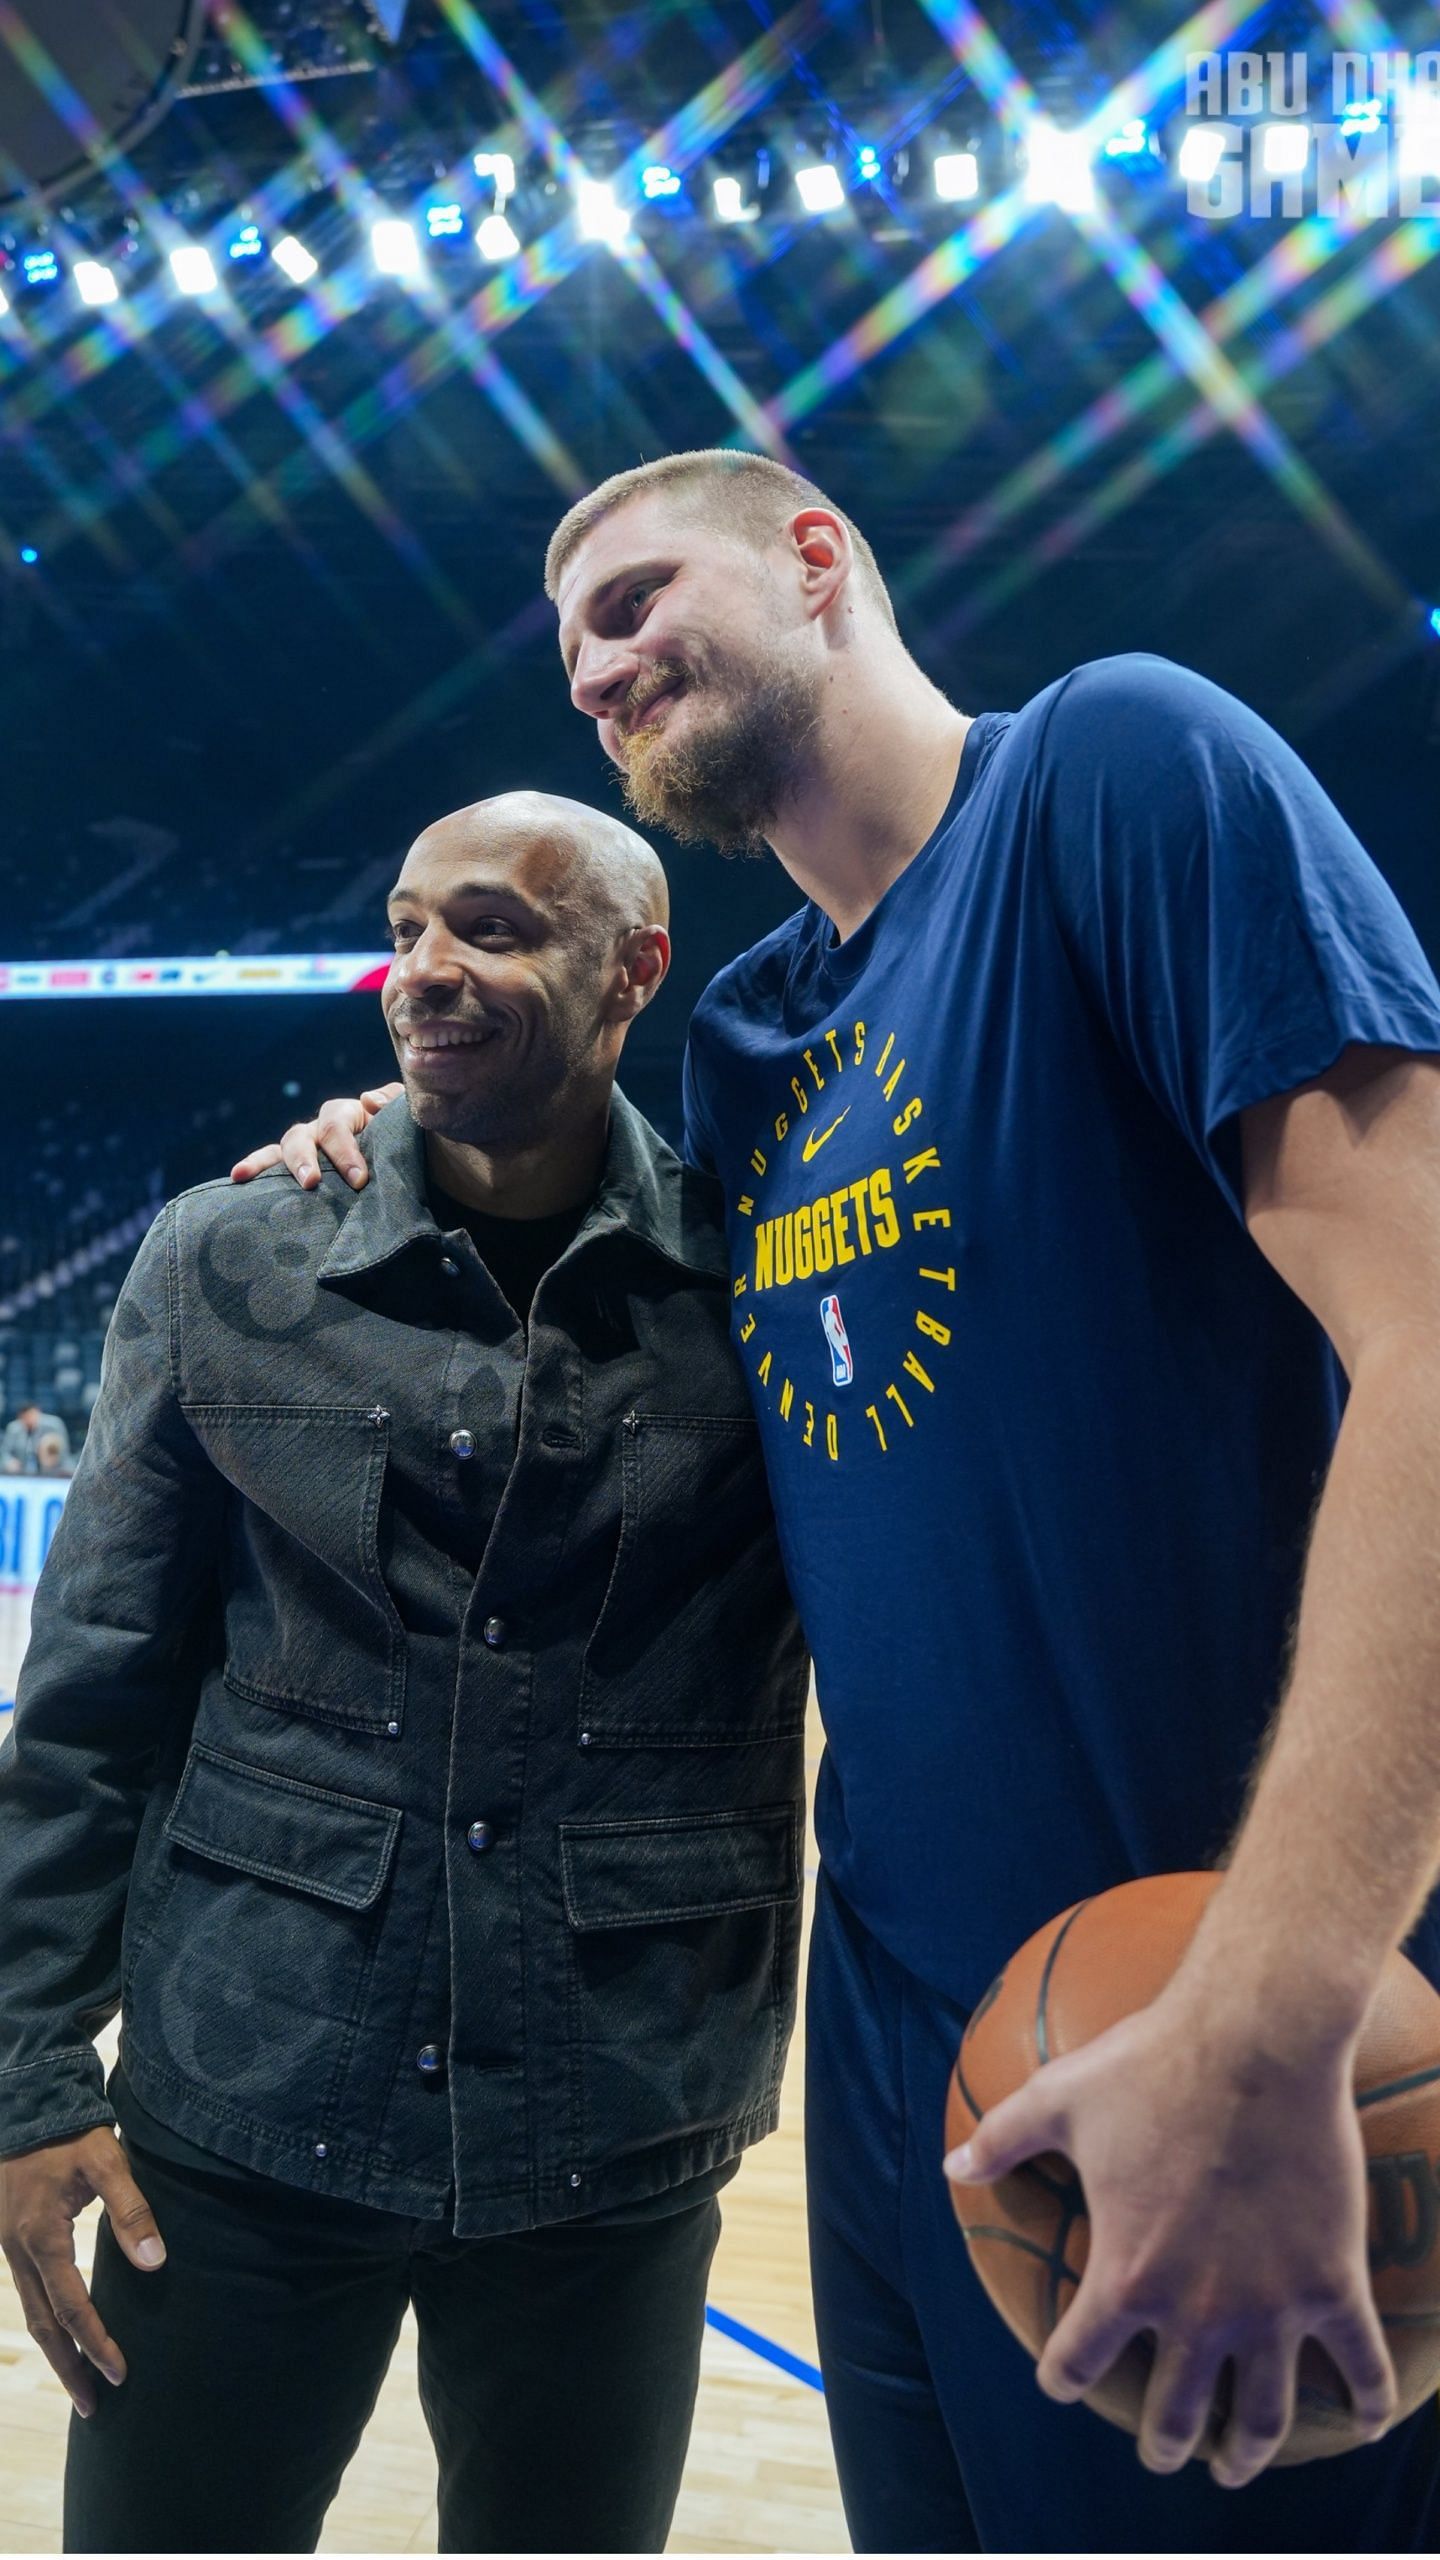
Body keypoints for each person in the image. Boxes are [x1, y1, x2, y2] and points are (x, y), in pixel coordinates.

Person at [239, 449, 1440, 2553]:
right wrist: (404, 1128)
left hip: (1211, 2012)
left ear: (815, 557)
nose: (597, 674)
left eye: (631, 599)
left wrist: (1279, 1995)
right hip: (904, 2054)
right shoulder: (750, 1038)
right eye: (570, 653)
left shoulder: (1113, 772)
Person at [0, 788, 808, 2556]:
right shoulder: (223, 1260)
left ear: (634, 970)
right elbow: (90, 1702)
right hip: (241, 2108)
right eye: (410, 926)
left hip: (618, 2117)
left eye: (497, 930)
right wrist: (29, 2076)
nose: (426, 971)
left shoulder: (761, 1277)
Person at [1, 1399, 71, 1475]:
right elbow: (5, 1451)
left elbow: (63, 1450)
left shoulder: (54, 1425)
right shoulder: (13, 1428)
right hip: (20, 1470)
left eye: (31, 1415)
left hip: (54, 1468)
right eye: (25, 1417)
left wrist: (50, 1458)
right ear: (20, 1417)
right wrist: (9, 1461)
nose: (29, 1419)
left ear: (38, 1412)